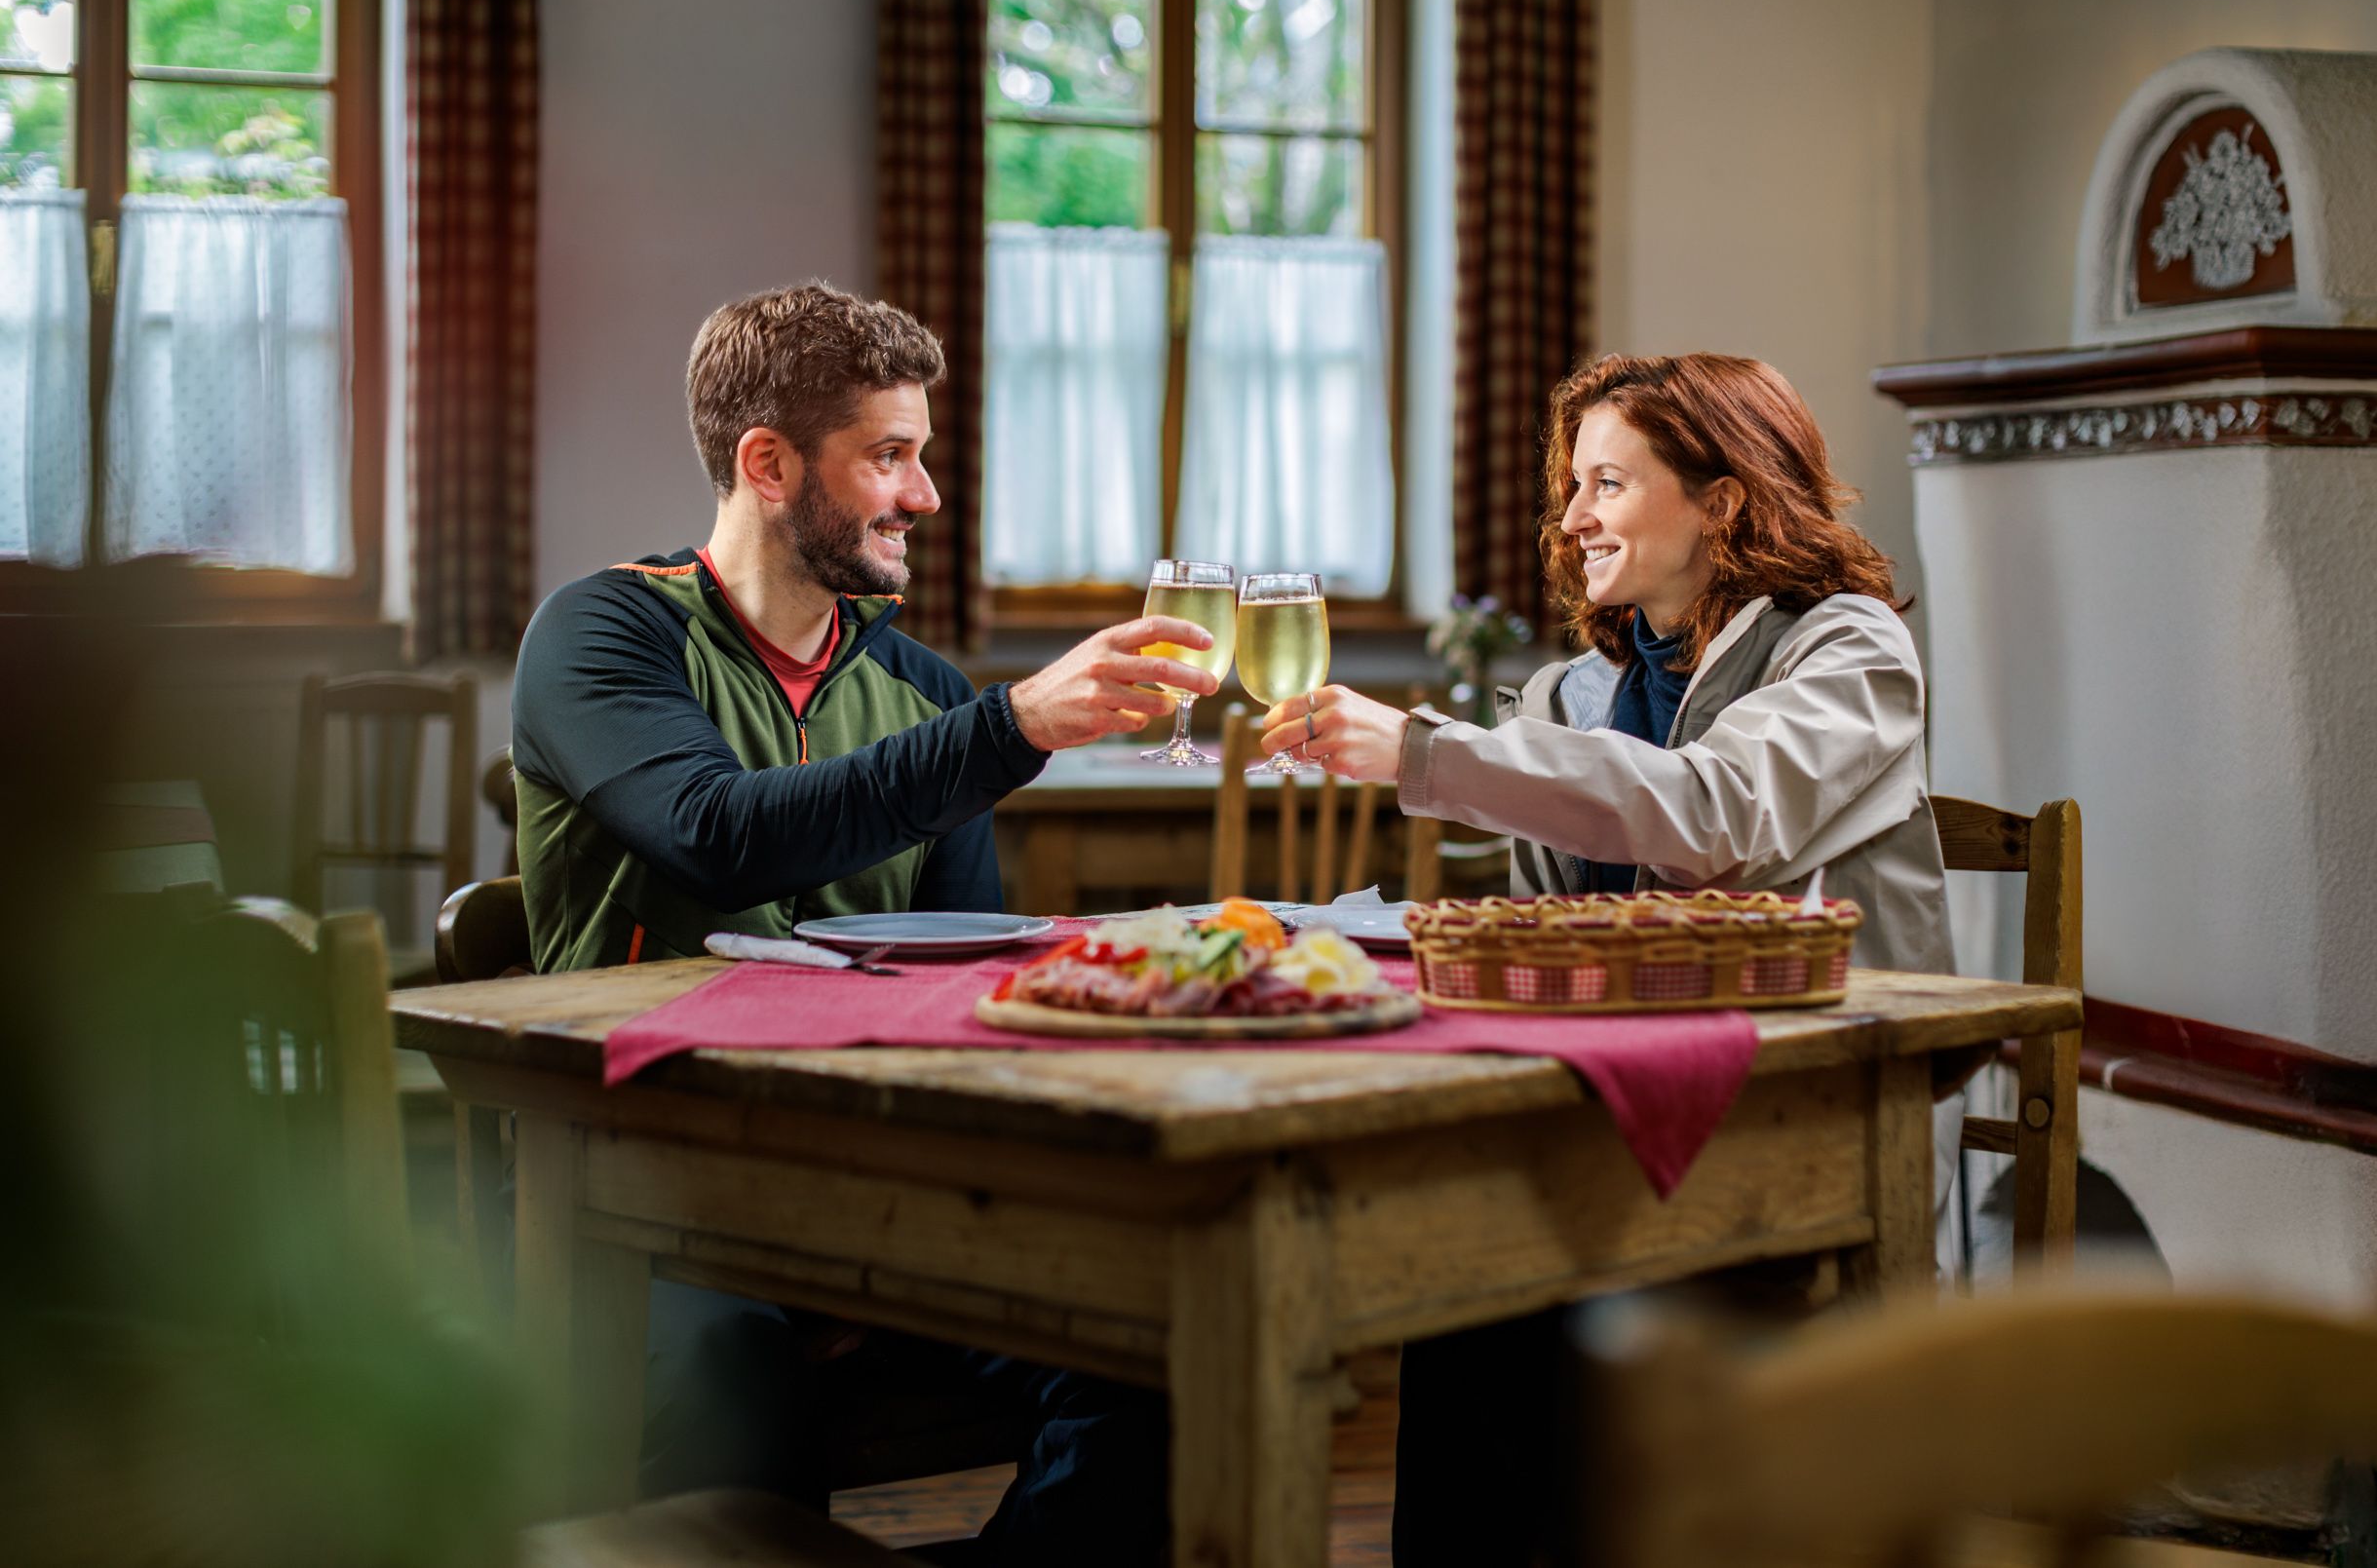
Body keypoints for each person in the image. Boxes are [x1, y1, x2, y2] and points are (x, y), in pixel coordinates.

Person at [512, 280, 1214, 1564]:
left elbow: (963, 987)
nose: (926, 496)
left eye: (923, 455)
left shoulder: (921, 693)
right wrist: (1008, 731)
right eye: (890, 456)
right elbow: (720, 835)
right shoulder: (603, 634)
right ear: (768, 465)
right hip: (643, 1195)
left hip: (868, 1185)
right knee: (738, 1377)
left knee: (1157, 1352)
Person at [1254, 352, 1957, 1565]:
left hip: (1803, 1112)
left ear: (1723, 500)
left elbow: (1714, 812)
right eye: (1571, 487)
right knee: (1466, 1275)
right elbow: (1545, 946)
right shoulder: (1575, 690)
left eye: (1609, 485)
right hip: (1605, 1116)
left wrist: (1428, 756)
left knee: (1507, 1291)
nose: (1571, 518)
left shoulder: (1847, 652)